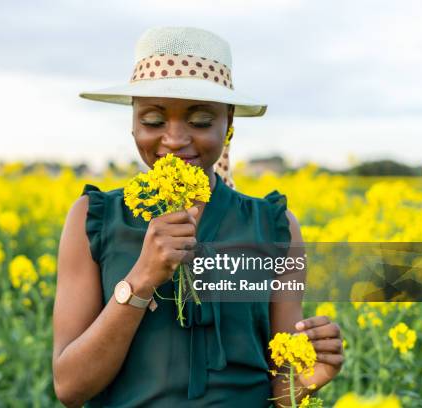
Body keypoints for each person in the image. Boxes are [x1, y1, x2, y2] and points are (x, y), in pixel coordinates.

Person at [52, 27, 344, 407]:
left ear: (229, 122)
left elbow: (281, 391)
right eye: (154, 121)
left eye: (201, 121)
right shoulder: (93, 218)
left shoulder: (275, 226)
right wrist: (141, 279)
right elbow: (70, 388)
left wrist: (308, 380)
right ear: (133, 122)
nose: (174, 139)